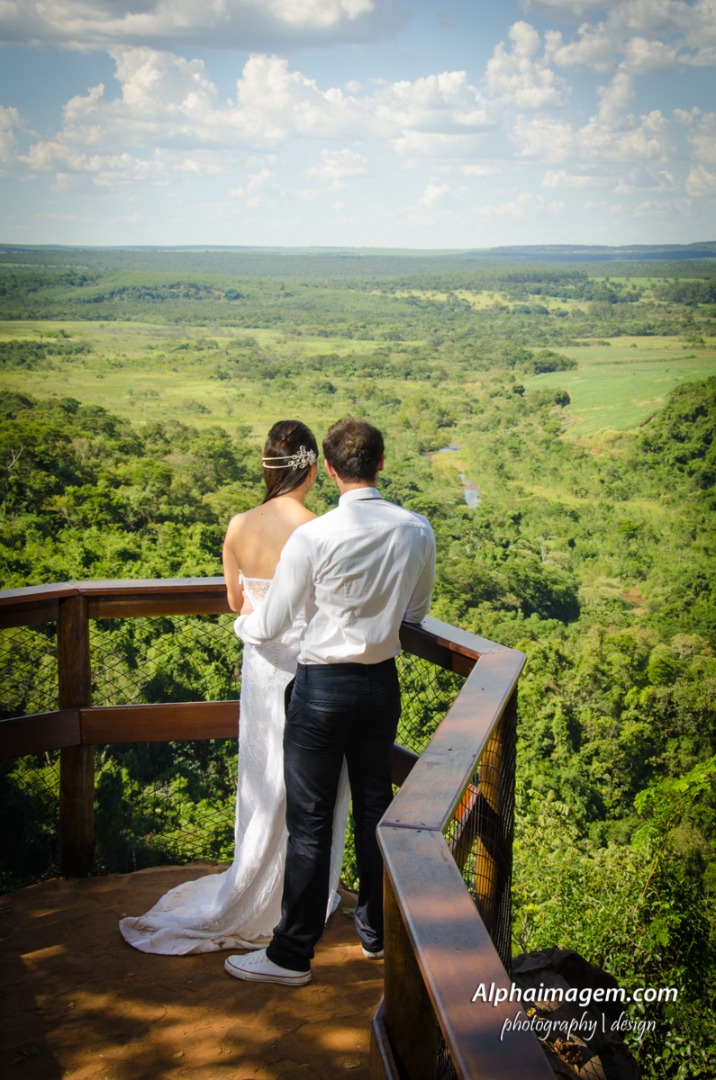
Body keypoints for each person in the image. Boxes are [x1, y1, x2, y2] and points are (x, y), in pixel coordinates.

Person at [119, 420, 350, 955]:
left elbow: (235, 600)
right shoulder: (320, 529)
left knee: (263, 774)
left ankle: (254, 880)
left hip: (262, 667)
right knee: (307, 785)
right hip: (309, 669)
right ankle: (297, 894)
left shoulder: (239, 524)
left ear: (268, 468)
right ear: (312, 469)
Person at [224, 417, 436, 987]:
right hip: (380, 685)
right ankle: (375, 933)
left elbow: (269, 624)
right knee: (373, 809)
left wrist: (244, 623)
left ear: (333, 470)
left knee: (310, 821)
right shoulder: (416, 529)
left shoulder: (313, 537)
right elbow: (415, 613)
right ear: (381, 463)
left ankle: (291, 954)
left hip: (321, 689)